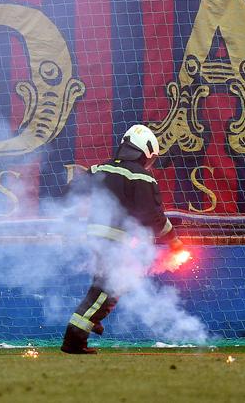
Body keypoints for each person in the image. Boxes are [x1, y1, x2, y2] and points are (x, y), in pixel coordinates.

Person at [62, 124, 183, 354]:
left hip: (96, 241)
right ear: (145, 152)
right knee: (104, 290)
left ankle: (93, 317)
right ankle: (73, 341)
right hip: (117, 243)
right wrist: (174, 242)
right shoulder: (141, 177)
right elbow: (155, 218)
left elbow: (70, 192)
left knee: (114, 286)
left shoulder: (99, 169)